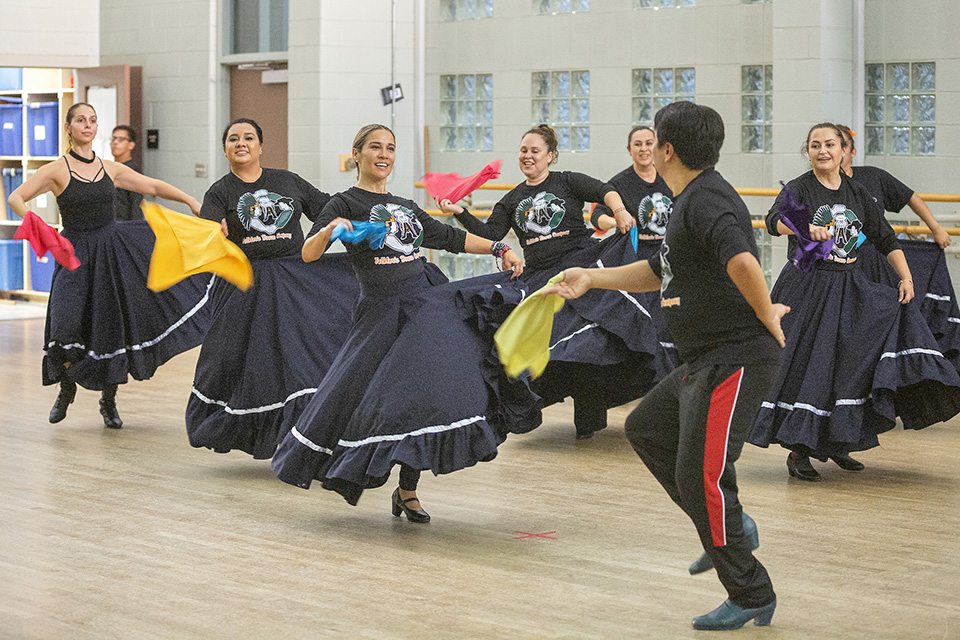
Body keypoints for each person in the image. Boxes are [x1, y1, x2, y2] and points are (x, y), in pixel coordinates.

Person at [542, 101, 785, 631]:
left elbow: (743, 260)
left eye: (656, 139)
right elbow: (659, 270)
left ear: (668, 149)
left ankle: (750, 591)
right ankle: (733, 527)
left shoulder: (708, 201)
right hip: (704, 358)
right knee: (647, 428)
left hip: (735, 356)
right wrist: (592, 276)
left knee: (702, 477)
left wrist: (767, 314)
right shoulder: (688, 199)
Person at [271, 124, 533, 522]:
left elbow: (448, 237)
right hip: (380, 316)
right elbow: (308, 253)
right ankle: (357, 468)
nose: (384, 154)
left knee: (425, 399)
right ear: (356, 153)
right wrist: (329, 230)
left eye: (390, 148)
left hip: (424, 308)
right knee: (362, 400)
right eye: (375, 147)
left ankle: (408, 490)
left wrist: (500, 248)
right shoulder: (344, 203)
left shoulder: (404, 205)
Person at [749, 123, 960, 481]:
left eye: (829, 144)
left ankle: (838, 443)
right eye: (815, 145)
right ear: (808, 151)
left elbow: (885, 239)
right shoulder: (799, 189)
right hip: (809, 287)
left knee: (850, 364)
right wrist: (800, 227)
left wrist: (906, 278)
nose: (823, 151)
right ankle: (800, 452)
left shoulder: (858, 192)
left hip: (850, 286)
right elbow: (774, 220)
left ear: (843, 151)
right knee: (810, 366)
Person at [438, 124, 670, 440]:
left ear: (550, 155)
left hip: (580, 266)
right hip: (541, 277)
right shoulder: (512, 199)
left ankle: (592, 418)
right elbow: (491, 235)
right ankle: (535, 407)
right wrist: (459, 212)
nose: (528, 156)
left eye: (535, 151)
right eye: (524, 150)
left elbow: (604, 190)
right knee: (552, 346)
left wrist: (619, 211)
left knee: (591, 342)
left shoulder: (567, 181)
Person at [6, 102, 212, 428]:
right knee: (66, 322)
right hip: (74, 254)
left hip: (111, 252)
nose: (87, 125)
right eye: (80, 120)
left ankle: (109, 401)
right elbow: (15, 197)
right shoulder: (56, 169)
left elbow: (152, 186)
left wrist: (190, 200)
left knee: (109, 327)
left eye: (92, 120)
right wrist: (38, 225)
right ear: (68, 127)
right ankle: (66, 387)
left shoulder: (110, 168)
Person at [186, 118, 360, 459]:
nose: (241, 143)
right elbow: (207, 229)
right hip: (249, 289)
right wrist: (212, 233)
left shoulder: (286, 180)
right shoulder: (220, 192)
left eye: (249, 137)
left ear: (261, 146)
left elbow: (325, 208)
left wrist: (344, 218)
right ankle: (261, 430)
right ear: (225, 149)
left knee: (303, 357)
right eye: (233, 139)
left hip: (296, 283)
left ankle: (308, 434)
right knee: (255, 363)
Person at [836, 124, 960, 369]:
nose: (835, 152)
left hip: (876, 259)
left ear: (851, 151)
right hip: (839, 265)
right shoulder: (817, 186)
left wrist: (935, 226)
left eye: (840, 146)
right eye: (826, 145)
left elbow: (910, 196)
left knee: (885, 318)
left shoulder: (873, 176)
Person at [110, 125, 144, 221]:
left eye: (120, 139)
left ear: (131, 145)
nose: (115, 142)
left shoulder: (132, 171)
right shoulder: (109, 168)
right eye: (113, 139)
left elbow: (136, 205)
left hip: (123, 226)